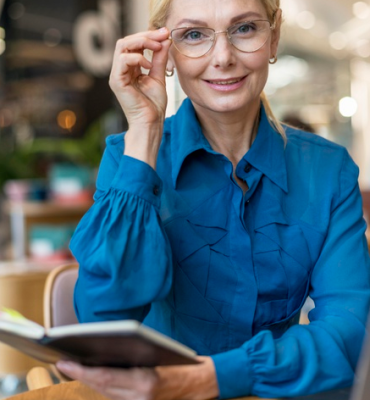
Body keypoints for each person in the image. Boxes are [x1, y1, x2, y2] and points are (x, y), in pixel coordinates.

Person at [56, 0, 370, 399]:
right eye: (193, 35)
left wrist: (208, 378)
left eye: (244, 29)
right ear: (165, 52)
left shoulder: (328, 170)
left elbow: (351, 335)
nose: (222, 58)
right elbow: (102, 323)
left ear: (273, 39)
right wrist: (143, 133)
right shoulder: (128, 157)